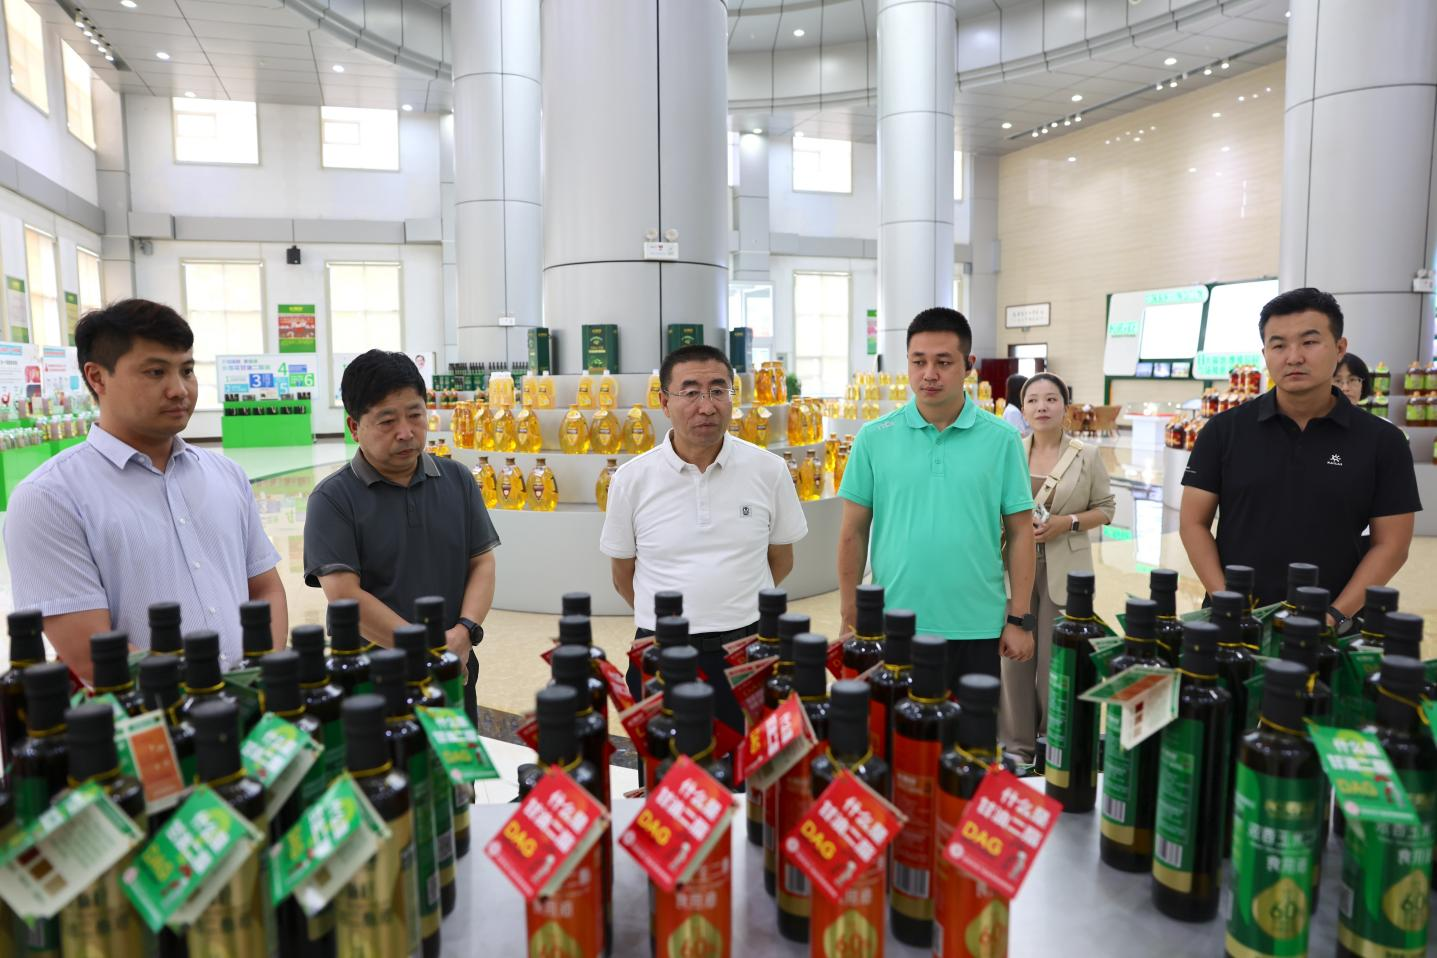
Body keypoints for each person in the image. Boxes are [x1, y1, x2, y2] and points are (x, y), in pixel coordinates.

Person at [3, 300, 288, 680]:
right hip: (148, 712)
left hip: (252, 701)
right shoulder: (49, 498)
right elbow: (89, 650)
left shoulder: (227, 475)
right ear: (97, 378)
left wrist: (263, 679)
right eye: (156, 372)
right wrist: (204, 697)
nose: (179, 390)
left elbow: (266, 589)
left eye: (187, 370)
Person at [1180, 288, 1420, 628]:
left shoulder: (1383, 441)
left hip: (1335, 625)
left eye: (1309, 342)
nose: (1293, 357)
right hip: (1234, 620)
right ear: (1265, 353)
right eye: (1278, 345)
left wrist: (1335, 615)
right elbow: (1193, 523)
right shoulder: (1223, 430)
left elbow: (1392, 545)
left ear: (1339, 348)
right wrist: (1225, 601)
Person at [600, 344, 807, 732]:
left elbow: (782, 559)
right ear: (664, 402)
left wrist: (732, 607)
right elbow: (622, 575)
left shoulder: (769, 470)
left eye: (718, 390)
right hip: (661, 653)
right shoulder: (631, 480)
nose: (707, 406)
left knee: (751, 761)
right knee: (666, 762)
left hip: (749, 650)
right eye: (691, 392)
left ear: (732, 397)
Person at [837, 308, 1037, 688]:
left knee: (973, 726)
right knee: (896, 725)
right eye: (919, 362)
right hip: (894, 624)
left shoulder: (1002, 439)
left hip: (977, 625)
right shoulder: (874, 437)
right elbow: (853, 532)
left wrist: (1019, 618)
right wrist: (850, 613)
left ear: (968, 366)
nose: (929, 374)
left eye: (943, 362)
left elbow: (1021, 532)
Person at [303, 350, 498, 723]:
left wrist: (465, 630)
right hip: (373, 678)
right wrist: (424, 649)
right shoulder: (332, 499)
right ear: (354, 427)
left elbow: (482, 562)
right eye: (387, 420)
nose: (406, 432)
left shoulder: (457, 480)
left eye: (415, 415)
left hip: (454, 666)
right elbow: (344, 595)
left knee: (456, 760)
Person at [998, 372, 1115, 764]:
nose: (1041, 407)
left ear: (1065, 407)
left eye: (1051, 399)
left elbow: (1107, 508)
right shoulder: (1010, 450)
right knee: (1013, 656)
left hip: (1065, 569)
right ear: (1022, 408)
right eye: (1032, 400)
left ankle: (1053, 741)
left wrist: (1068, 522)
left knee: (1057, 658)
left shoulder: (1086, 455)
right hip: (1015, 567)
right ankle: (1016, 744)